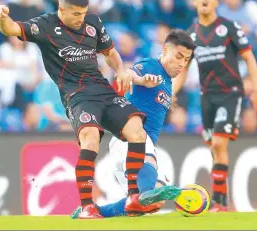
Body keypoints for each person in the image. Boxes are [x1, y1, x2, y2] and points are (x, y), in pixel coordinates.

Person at [0, 0, 152, 219]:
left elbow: (110, 53)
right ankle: (88, 206)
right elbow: (12, 29)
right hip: (76, 95)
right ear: (62, 10)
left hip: (102, 90)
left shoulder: (93, 22)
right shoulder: (44, 25)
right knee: (90, 138)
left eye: (84, 13)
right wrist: (2, 17)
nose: (81, 19)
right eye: (76, 14)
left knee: (136, 131)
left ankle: (133, 198)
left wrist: (120, 70)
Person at [70, 29, 196, 219]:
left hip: (136, 148)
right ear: (164, 49)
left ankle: (97, 211)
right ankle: (144, 193)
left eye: (185, 60)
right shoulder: (150, 66)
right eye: (178, 56)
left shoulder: (168, 82)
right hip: (130, 140)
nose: (181, 63)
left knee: (153, 203)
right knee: (147, 190)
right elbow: (126, 74)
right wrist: (141, 80)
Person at [173, 0, 257, 212]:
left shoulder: (228, 27)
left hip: (230, 93)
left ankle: (219, 202)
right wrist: (170, 92)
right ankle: (220, 201)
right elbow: (183, 69)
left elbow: (249, 57)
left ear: (216, 2)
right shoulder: (190, 35)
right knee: (214, 148)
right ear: (195, 1)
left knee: (219, 142)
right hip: (207, 96)